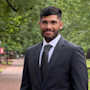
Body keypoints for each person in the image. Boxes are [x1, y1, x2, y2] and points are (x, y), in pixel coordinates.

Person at [20, 6, 88, 90]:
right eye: (45, 22)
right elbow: (25, 86)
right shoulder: (30, 52)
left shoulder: (73, 52)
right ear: (40, 24)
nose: (48, 27)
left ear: (60, 25)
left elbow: (80, 87)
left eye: (53, 22)